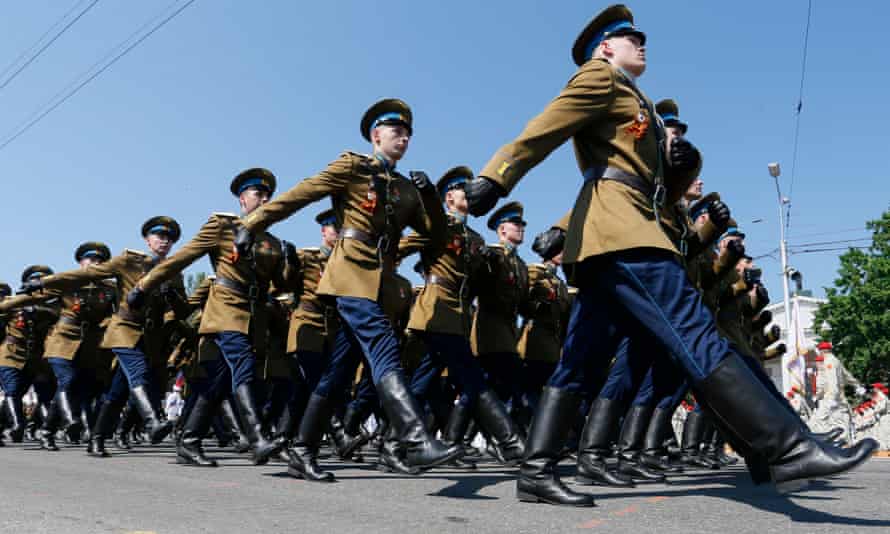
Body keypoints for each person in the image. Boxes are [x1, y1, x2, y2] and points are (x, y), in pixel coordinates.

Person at [463, 4, 877, 506]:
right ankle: (786, 448)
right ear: (604, 48)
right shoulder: (599, 78)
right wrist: (495, 176)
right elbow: (545, 127)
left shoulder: (642, 103)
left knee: (580, 361)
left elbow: (658, 189)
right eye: (628, 36)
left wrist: (679, 170)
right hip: (621, 231)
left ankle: (535, 471)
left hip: (621, 231)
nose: (641, 42)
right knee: (694, 332)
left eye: (641, 36)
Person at [233, 98, 463, 473]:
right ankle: (416, 439)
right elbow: (300, 194)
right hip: (351, 270)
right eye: (397, 131)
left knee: (338, 372)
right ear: (376, 135)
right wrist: (251, 224)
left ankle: (303, 451)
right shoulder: (353, 167)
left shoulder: (407, 188)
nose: (404, 139)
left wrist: (433, 200)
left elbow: (435, 236)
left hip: (382, 282)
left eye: (408, 134)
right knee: (383, 344)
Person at [128, 169, 295, 467]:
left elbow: (282, 285)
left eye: (269, 194)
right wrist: (144, 285)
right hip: (226, 308)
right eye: (258, 193)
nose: (265, 198)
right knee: (241, 364)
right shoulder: (223, 227)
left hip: (253, 314)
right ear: (243, 198)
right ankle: (257, 438)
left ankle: (189, 442)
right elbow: (184, 257)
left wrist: (289, 264)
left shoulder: (271, 242)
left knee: (216, 382)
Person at [22, 217, 186, 456]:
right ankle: (152, 422)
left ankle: (96, 438)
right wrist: (43, 282)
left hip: (149, 336)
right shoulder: (129, 261)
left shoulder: (174, 272)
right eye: (159, 236)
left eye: (169, 238)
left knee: (117, 393)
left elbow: (182, 311)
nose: (164, 241)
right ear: (147, 240)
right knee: (138, 373)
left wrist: (172, 296)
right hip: (124, 330)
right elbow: (84, 276)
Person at [399, 166, 526, 466]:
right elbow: (399, 247)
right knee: (472, 378)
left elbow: (482, 287)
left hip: (458, 316)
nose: (467, 192)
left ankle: (396, 443)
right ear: (447, 198)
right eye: (461, 188)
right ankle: (511, 441)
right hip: (435, 308)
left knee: (421, 384)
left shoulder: (477, 240)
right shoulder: (437, 225)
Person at [39, 242, 117, 450]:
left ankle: (47, 431)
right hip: (63, 340)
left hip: (90, 346)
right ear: (81, 262)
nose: (94, 263)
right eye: (90, 259)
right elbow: (33, 298)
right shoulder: (66, 282)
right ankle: (70, 421)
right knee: (67, 379)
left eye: (100, 261)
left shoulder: (110, 288)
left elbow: (115, 315)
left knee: (81, 389)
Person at [0, 266, 60, 445]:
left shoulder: (53, 307)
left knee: (21, 392)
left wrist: (39, 310)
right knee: (12, 389)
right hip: (10, 353)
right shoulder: (14, 302)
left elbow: (56, 316)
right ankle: (18, 425)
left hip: (35, 359)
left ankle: (13, 425)